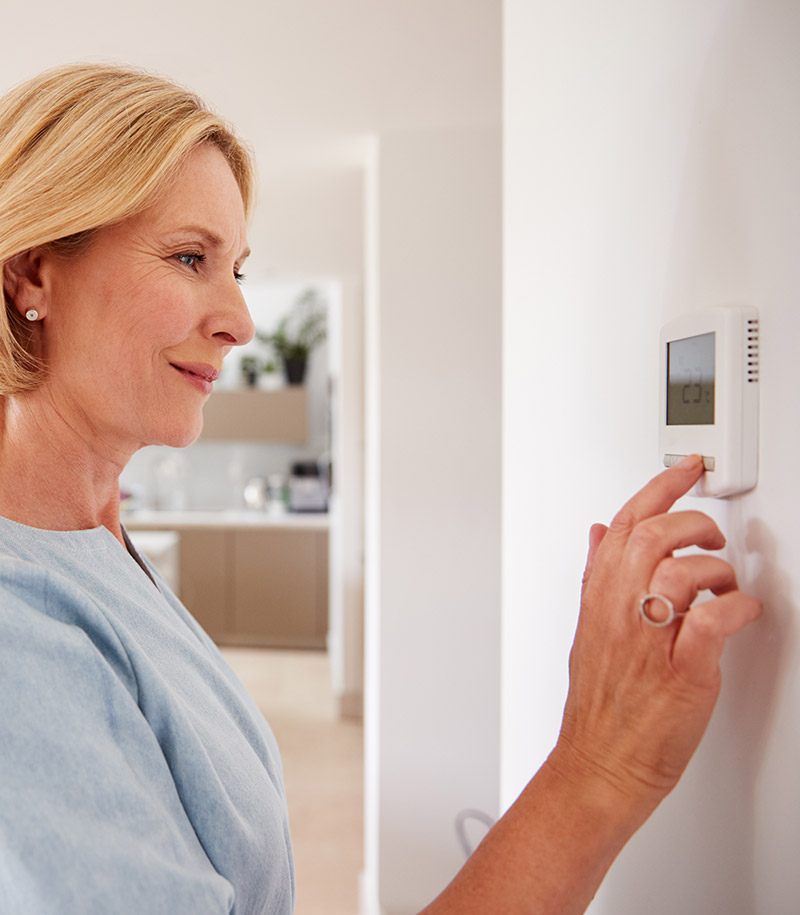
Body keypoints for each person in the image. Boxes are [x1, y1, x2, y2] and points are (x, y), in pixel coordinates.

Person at [0, 63, 761, 915]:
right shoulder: (17, 638)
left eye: (238, 269)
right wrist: (597, 769)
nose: (241, 321)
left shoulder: (95, 540)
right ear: (33, 273)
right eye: (189, 257)